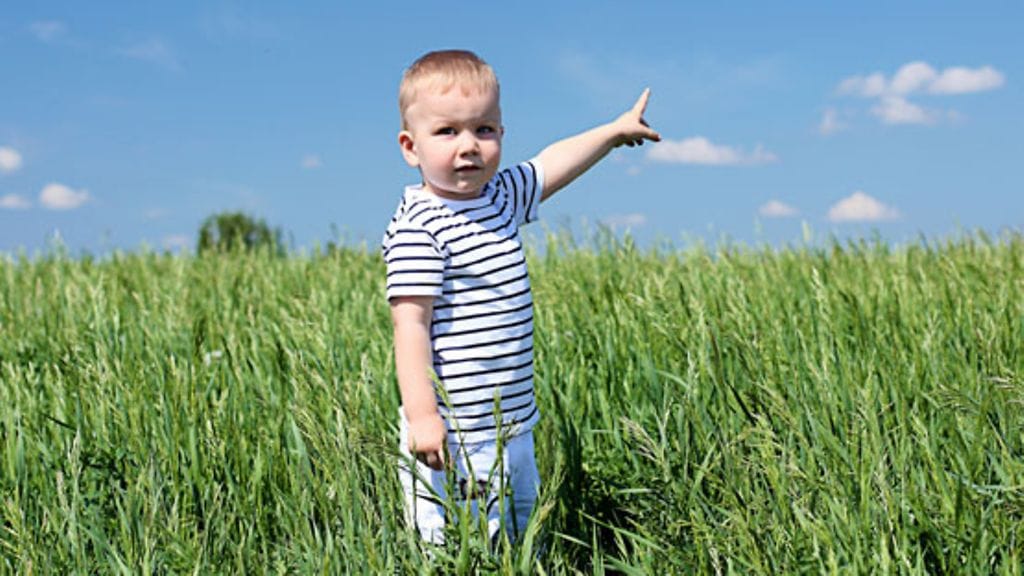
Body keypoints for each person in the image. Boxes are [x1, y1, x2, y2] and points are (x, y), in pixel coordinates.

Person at [382, 49, 659, 545]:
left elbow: (551, 163)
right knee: (458, 542)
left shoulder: (501, 198)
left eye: (484, 129)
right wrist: (423, 415)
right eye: (447, 132)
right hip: (454, 432)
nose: (469, 145)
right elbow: (410, 327)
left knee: (522, 533)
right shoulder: (419, 228)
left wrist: (613, 132)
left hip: (512, 421)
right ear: (410, 146)